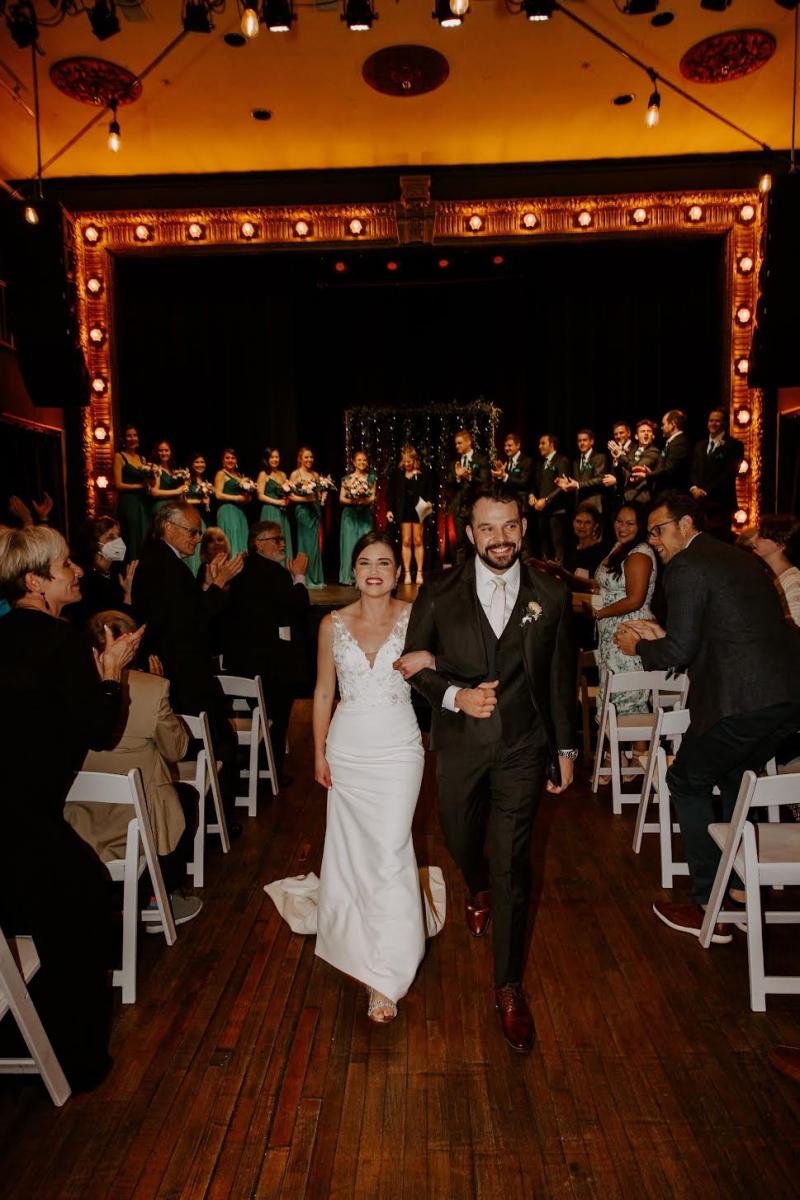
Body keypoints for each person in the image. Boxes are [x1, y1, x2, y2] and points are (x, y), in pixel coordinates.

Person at [398, 483, 577, 1052]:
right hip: (460, 745)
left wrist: (566, 749)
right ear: (469, 533)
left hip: (524, 747)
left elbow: (559, 677)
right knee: (457, 833)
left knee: (514, 863)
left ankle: (508, 986)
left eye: (510, 526)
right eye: (488, 528)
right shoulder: (438, 591)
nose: (501, 539)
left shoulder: (551, 591)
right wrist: (454, 696)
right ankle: (473, 884)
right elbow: (413, 665)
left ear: (523, 526)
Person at [614, 493, 800, 942]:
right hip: (787, 698)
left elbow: (678, 651)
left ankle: (707, 904)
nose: (653, 539)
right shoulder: (736, 559)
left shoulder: (687, 565)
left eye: (659, 529)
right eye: (650, 532)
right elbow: (719, 633)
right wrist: (666, 638)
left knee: (685, 781)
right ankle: (736, 888)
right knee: (736, 773)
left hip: (744, 701)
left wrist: (638, 646)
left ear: (686, 524)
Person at [270, 531, 439, 1024]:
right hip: (348, 749)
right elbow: (323, 692)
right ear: (353, 569)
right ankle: (358, 931)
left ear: (397, 572)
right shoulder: (331, 624)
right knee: (354, 849)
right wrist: (319, 751)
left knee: (389, 849)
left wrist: (431, 658)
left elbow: (451, 666)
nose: (374, 570)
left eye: (384, 562)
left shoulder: (415, 618)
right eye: (365, 561)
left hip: (399, 750)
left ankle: (386, 974)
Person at [0, 525, 142, 1090]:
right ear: (35, 582)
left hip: (17, 818)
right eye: (64, 566)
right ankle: (75, 1063)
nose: (78, 571)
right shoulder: (61, 644)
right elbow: (101, 733)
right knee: (83, 907)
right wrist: (111, 675)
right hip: (25, 824)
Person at [68, 609, 202, 928]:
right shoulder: (152, 688)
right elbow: (177, 750)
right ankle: (160, 897)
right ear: (133, 646)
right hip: (138, 821)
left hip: (79, 817)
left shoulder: (66, 685)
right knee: (185, 799)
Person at [131, 500, 244, 826]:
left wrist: (208, 586)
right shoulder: (165, 566)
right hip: (184, 672)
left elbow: (184, 609)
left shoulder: (160, 561)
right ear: (169, 528)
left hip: (175, 667)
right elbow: (191, 623)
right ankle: (215, 822)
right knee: (215, 743)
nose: (198, 539)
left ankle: (207, 820)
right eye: (193, 532)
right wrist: (219, 588)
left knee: (208, 744)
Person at [222, 521, 310, 782]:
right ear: (258, 543)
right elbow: (299, 605)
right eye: (276, 539)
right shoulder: (275, 573)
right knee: (277, 719)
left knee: (258, 715)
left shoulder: (240, 571)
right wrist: (300, 577)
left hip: (241, 663)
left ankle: (250, 765)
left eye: (282, 539)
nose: (282, 544)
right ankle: (272, 772)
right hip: (270, 664)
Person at [69, 514, 137, 626]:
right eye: (111, 537)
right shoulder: (86, 579)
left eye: (118, 536)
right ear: (95, 543)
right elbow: (109, 625)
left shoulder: (114, 573)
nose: (118, 541)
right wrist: (127, 596)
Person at [690, 409, 744, 529]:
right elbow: (694, 470)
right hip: (699, 504)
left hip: (720, 503)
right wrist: (694, 488)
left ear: (724, 423)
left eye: (717, 421)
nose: (713, 423)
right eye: (711, 420)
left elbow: (730, 473)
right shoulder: (700, 445)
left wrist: (705, 491)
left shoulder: (734, 445)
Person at [386, 443, 432, 586]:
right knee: (406, 541)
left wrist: (430, 503)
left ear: (414, 460)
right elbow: (392, 493)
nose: (407, 464)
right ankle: (406, 574)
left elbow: (429, 491)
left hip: (419, 509)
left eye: (409, 461)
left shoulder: (422, 473)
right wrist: (389, 509)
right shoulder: (397, 473)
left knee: (418, 540)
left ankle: (418, 572)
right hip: (404, 510)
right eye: (404, 461)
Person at [746, 513, 800, 626]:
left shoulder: (794, 583)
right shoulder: (767, 574)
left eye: (762, 536)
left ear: (780, 544)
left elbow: (794, 630)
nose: (753, 540)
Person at [446, 428, 490, 562]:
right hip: (459, 508)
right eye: (456, 444)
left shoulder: (481, 459)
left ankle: (480, 573)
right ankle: (461, 576)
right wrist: (458, 477)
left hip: (475, 506)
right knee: (461, 544)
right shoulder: (455, 463)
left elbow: (485, 481)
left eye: (459, 443)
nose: (457, 446)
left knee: (478, 542)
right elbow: (448, 482)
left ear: (468, 442)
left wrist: (470, 477)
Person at [528, 433, 571, 561]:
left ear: (551, 445)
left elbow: (563, 486)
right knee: (544, 545)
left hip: (556, 511)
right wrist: (532, 496)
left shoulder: (562, 461)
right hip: (541, 511)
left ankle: (559, 575)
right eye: (539, 443)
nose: (539, 446)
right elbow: (534, 484)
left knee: (557, 545)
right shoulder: (540, 463)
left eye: (543, 443)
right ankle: (544, 575)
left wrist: (546, 500)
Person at [113, 424, 151, 561]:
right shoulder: (119, 457)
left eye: (134, 435)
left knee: (143, 535)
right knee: (130, 536)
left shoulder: (143, 459)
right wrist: (140, 486)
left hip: (143, 503)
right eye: (129, 435)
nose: (132, 438)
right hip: (128, 502)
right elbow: (118, 485)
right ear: (124, 439)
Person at [289, 446, 326, 589]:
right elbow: (291, 496)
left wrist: (322, 498)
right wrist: (307, 500)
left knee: (315, 546)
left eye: (311, 457)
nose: (309, 459)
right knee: (304, 543)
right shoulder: (295, 474)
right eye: (306, 457)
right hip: (303, 512)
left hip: (314, 511)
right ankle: (305, 576)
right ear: (300, 459)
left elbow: (319, 494)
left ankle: (316, 578)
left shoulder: (316, 475)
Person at [338, 450, 376, 585]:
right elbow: (341, 498)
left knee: (366, 544)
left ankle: (365, 575)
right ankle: (349, 577)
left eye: (364, 460)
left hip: (364, 515)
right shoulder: (347, 479)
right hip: (350, 515)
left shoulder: (371, 478)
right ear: (354, 462)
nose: (362, 462)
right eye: (359, 460)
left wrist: (363, 500)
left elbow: (372, 496)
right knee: (350, 545)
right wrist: (354, 500)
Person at [639, 409, 691, 497]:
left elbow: (669, 469)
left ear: (673, 424)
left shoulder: (680, 443)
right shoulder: (672, 442)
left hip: (672, 495)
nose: (661, 427)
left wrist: (649, 474)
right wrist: (652, 472)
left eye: (663, 424)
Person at [556, 429, 608, 514]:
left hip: (593, 505)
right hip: (579, 505)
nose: (582, 443)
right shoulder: (576, 461)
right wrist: (567, 483)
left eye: (585, 440)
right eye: (579, 441)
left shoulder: (599, 457)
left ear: (591, 441)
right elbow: (576, 482)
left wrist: (577, 485)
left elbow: (599, 480)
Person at [612, 419, 661, 507]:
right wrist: (616, 462)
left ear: (653, 436)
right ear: (636, 436)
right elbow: (623, 475)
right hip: (625, 498)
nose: (646, 433)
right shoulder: (630, 452)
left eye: (649, 431)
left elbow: (636, 468)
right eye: (642, 431)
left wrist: (620, 455)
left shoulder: (654, 451)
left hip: (641, 499)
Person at [256, 447, 293, 561]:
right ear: (267, 459)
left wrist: (287, 498)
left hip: (282, 512)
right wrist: (278, 502)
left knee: (282, 539)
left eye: (277, 457)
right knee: (271, 538)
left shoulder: (282, 475)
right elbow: (260, 495)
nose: (275, 459)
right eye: (272, 457)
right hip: (270, 510)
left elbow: (287, 493)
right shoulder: (263, 474)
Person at [213, 448, 252, 558]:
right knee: (231, 538)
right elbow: (218, 495)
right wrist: (237, 498)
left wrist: (247, 497)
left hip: (239, 512)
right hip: (227, 511)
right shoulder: (221, 474)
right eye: (227, 458)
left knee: (241, 538)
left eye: (233, 458)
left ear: (236, 461)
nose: (230, 460)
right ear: (223, 460)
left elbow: (245, 496)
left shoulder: (240, 476)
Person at [492, 432, 532, 517]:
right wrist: (499, 476)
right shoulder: (505, 462)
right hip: (507, 503)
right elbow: (503, 484)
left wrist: (505, 476)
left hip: (521, 504)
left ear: (518, 445)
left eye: (509, 445)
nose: (506, 448)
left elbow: (524, 482)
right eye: (505, 446)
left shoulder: (527, 461)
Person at [185, 453, 212, 577]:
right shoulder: (187, 478)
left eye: (202, 462)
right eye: (197, 462)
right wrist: (200, 501)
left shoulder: (204, 481)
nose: (200, 464)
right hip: (190, 516)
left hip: (203, 517)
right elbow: (182, 499)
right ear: (191, 464)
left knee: (202, 547)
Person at [149, 439, 188, 517]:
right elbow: (154, 492)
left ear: (171, 452)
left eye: (166, 450)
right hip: (162, 506)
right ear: (156, 452)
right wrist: (177, 491)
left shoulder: (173, 470)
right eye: (160, 450)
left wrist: (184, 487)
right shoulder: (156, 468)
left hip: (174, 505)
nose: (164, 453)